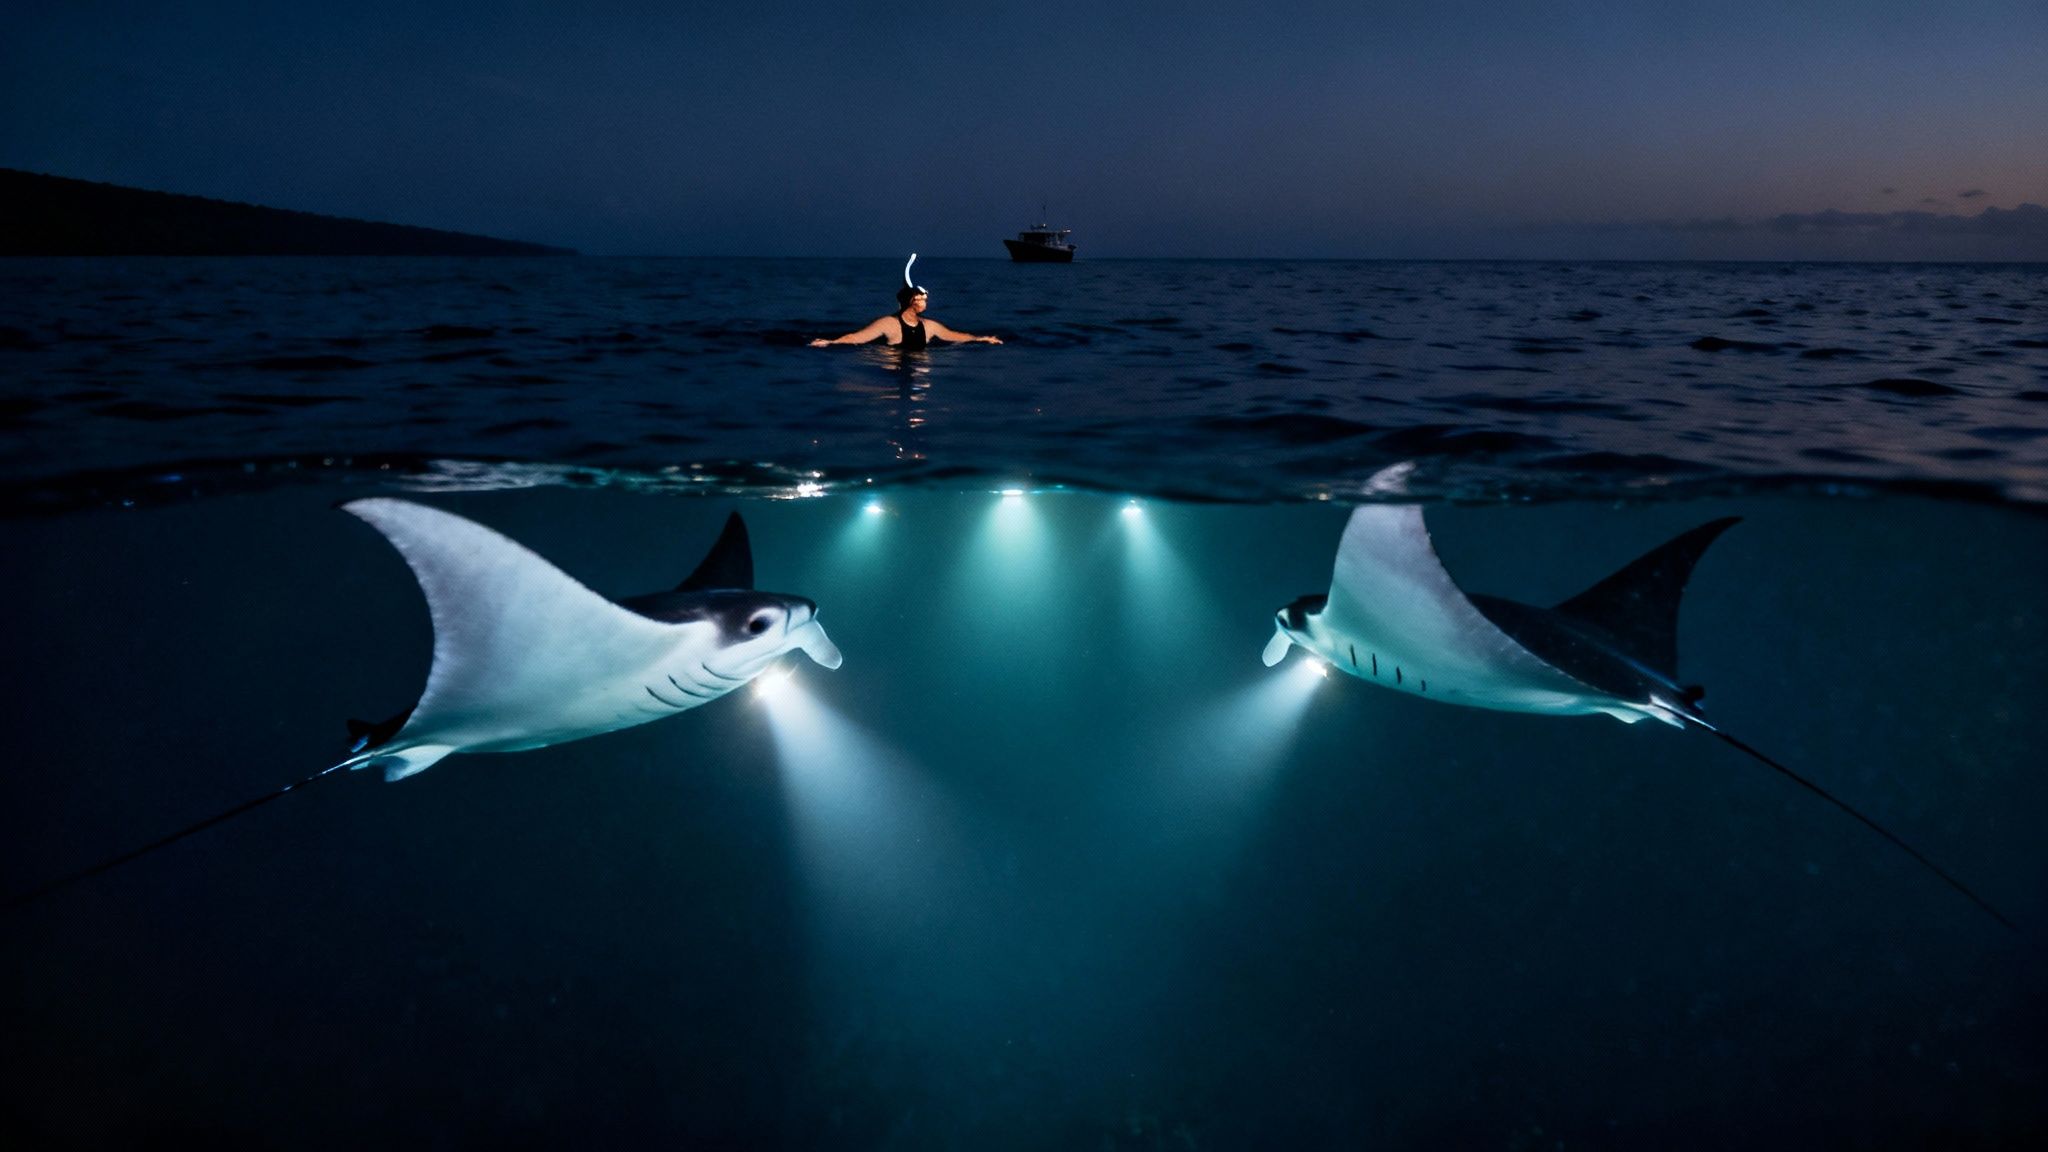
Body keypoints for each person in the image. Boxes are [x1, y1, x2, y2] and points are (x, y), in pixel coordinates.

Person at [809, 255, 1003, 348]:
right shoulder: (888, 324)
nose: (925, 300)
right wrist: (830, 342)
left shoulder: (929, 326)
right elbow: (856, 338)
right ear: (911, 301)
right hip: (892, 373)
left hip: (918, 371)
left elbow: (954, 335)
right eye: (921, 298)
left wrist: (981, 339)